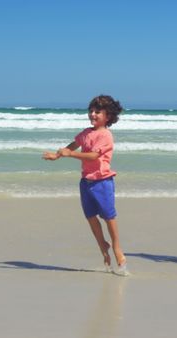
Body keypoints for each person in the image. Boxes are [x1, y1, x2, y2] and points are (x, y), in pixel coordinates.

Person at [42, 95, 129, 276]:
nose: (93, 114)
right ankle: (102, 246)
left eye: (98, 111)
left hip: (103, 182)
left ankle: (116, 247)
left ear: (108, 116)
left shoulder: (105, 135)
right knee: (90, 216)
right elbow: (74, 145)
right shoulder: (86, 133)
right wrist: (57, 155)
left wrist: (69, 155)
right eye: (91, 110)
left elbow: (93, 156)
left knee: (108, 216)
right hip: (86, 182)